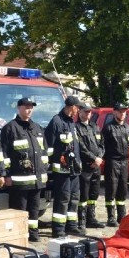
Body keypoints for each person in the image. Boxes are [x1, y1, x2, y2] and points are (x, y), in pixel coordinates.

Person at [1, 97, 49, 242]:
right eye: (26, 107)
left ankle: (33, 233)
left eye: (31, 107)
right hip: (19, 181)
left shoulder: (37, 128)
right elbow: (3, 153)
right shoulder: (10, 128)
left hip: (36, 180)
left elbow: (44, 151)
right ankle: (18, 235)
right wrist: (6, 174)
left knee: (34, 210)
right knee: (19, 210)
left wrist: (44, 169)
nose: (29, 110)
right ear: (19, 108)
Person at [45, 95, 84, 237]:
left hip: (74, 170)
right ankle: (58, 228)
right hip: (61, 170)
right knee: (62, 199)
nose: (78, 110)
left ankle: (71, 225)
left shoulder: (72, 122)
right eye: (77, 107)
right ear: (71, 107)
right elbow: (48, 146)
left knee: (74, 198)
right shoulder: (56, 121)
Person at [102, 102, 129, 226]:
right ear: (114, 112)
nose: (122, 113)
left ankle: (121, 215)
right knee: (111, 188)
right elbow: (102, 145)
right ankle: (111, 217)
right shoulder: (108, 128)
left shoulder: (128, 128)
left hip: (124, 161)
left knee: (123, 188)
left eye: (124, 111)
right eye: (120, 111)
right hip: (112, 161)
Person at [76, 103, 104, 230]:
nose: (87, 114)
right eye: (85, 111)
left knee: (94, 194)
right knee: (84, 195)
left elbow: (101, 144)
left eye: (89, 112)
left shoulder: (94, 126)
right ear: (79, 112)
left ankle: (91, 219)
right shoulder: (76, 128)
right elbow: (81, 147)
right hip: (85, 166)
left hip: (96, 166)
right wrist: (93, 159)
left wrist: (99, 158)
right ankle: (81, 221)